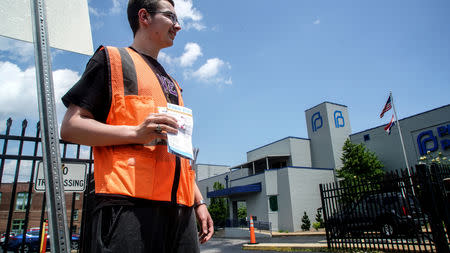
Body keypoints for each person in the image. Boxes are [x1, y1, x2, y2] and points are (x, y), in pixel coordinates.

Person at [60, 0, 213, 252]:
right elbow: (70, 126)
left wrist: (198, 202)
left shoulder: (173, 84)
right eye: (170, 17)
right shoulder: (112, 60)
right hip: (129, 204)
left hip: (180, 212)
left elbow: (178, 151)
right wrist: (135, 133)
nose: (178, 26)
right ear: (144, 16)